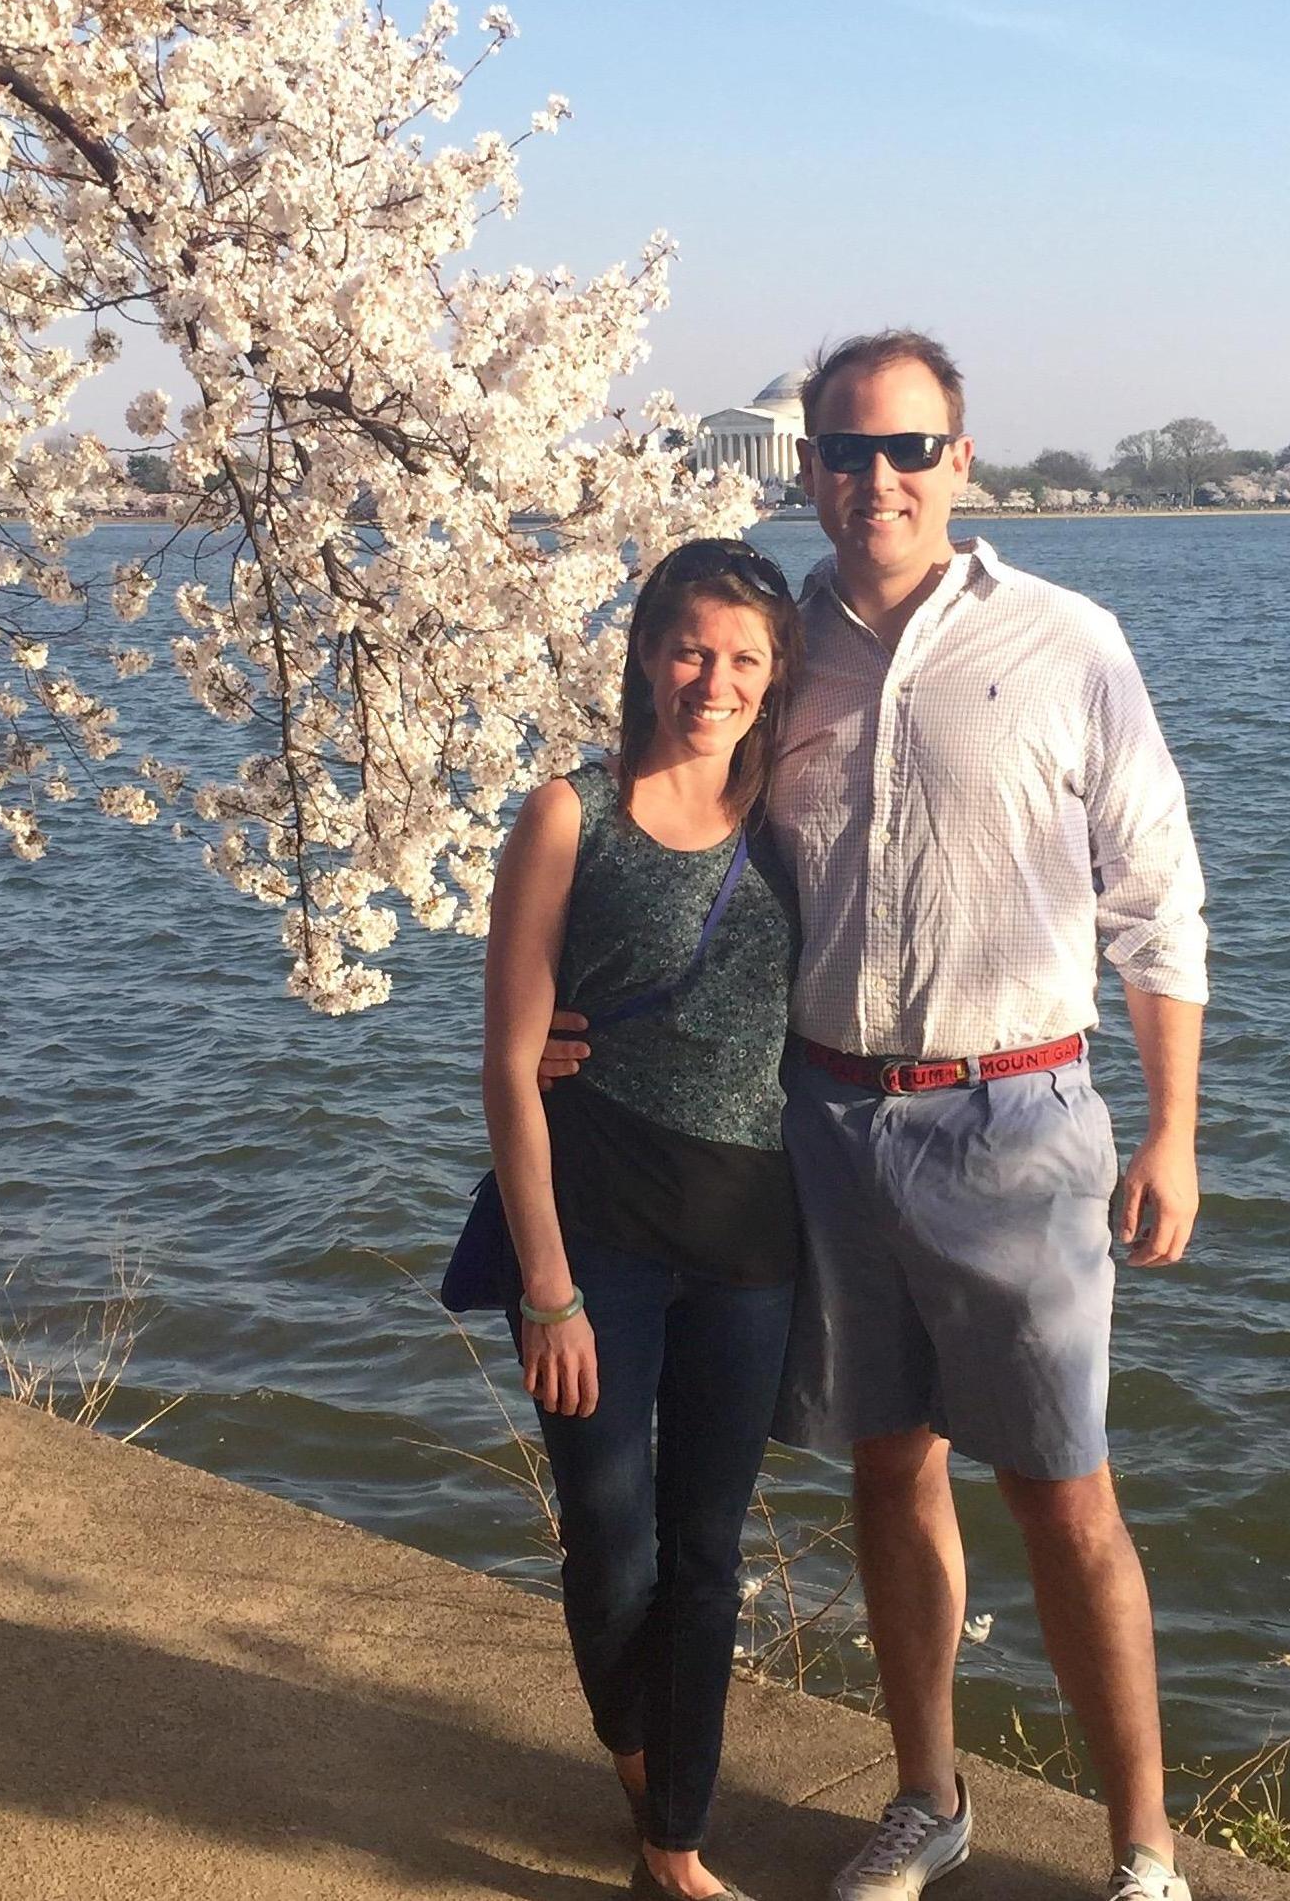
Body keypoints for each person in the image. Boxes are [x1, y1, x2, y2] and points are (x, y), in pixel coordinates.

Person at [549, 333, 1210, 1901]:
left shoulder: (1069, 643)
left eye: (908, 448)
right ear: (813, 467)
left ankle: (1144, 1847)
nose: (875, 480)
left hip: (1017, 1115)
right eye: (845, 451)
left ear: (961, 461)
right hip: (824, 1125)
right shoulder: (781, 651)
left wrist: (1175, 1124)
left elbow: (1158, 900)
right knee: (889, 1470)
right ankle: (929, 1794)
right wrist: (579, 1003)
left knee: (1066, 1489)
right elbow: (666, 812)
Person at [482, 535, 805, 1901]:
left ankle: (672, 1835)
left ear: (775, 676)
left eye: (742, 659)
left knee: (709, 1546)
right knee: (612, 1536)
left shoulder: (794, 819)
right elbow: (507, 1059)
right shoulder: (572, 814)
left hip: (749, 1234)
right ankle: (636, 1742)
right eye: (689, 648)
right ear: (642, 650)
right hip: (594, 1218)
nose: (710, 682)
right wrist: (544, 1281)